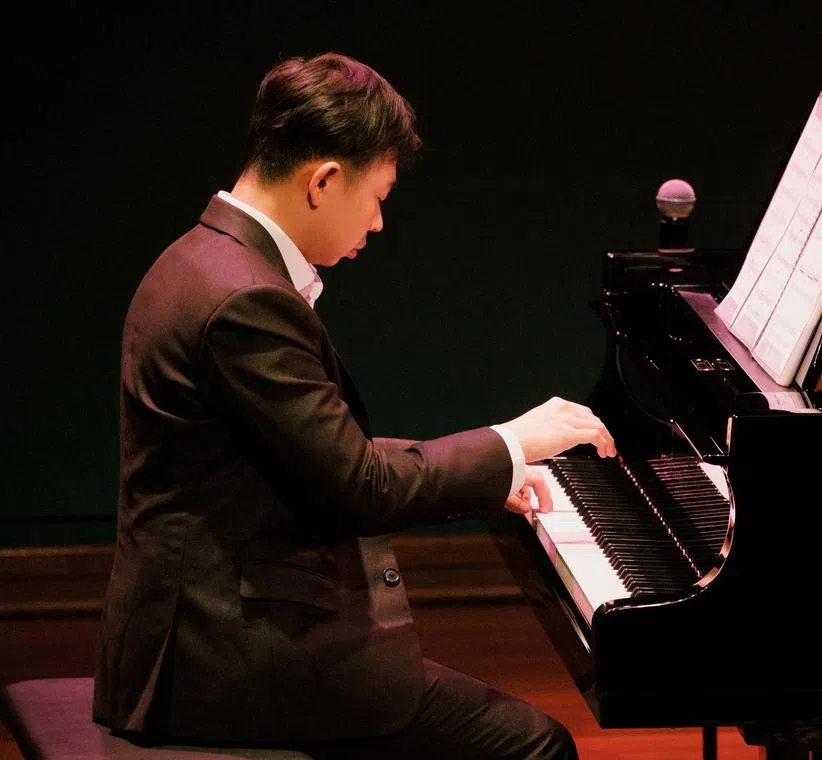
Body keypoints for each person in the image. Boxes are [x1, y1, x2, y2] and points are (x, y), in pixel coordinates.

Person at [93, 51, 615, 759]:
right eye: (378, 197)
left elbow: (318, 448)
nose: (376, 224)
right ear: (324, 181)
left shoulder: (199, 256)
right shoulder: (247, 301)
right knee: (535, 747)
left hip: (200, 627)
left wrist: (492, 470)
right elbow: (356, 487)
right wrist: (509, 442)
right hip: (224, 660)